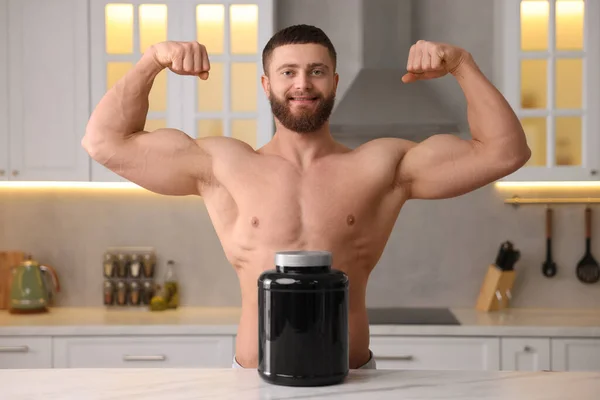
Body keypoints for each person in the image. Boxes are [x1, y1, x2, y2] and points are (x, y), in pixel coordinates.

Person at [82, 24, 531, 370]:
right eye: (288, 72)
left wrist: (462, 65)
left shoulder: (381, 166)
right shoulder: (223, 165)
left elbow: (505, 152)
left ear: (333, 82)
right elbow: (104, 143)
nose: (303, 84)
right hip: (253, 380)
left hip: (351, 380)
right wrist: (151, 61)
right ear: (266, 84)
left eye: (316, 71)